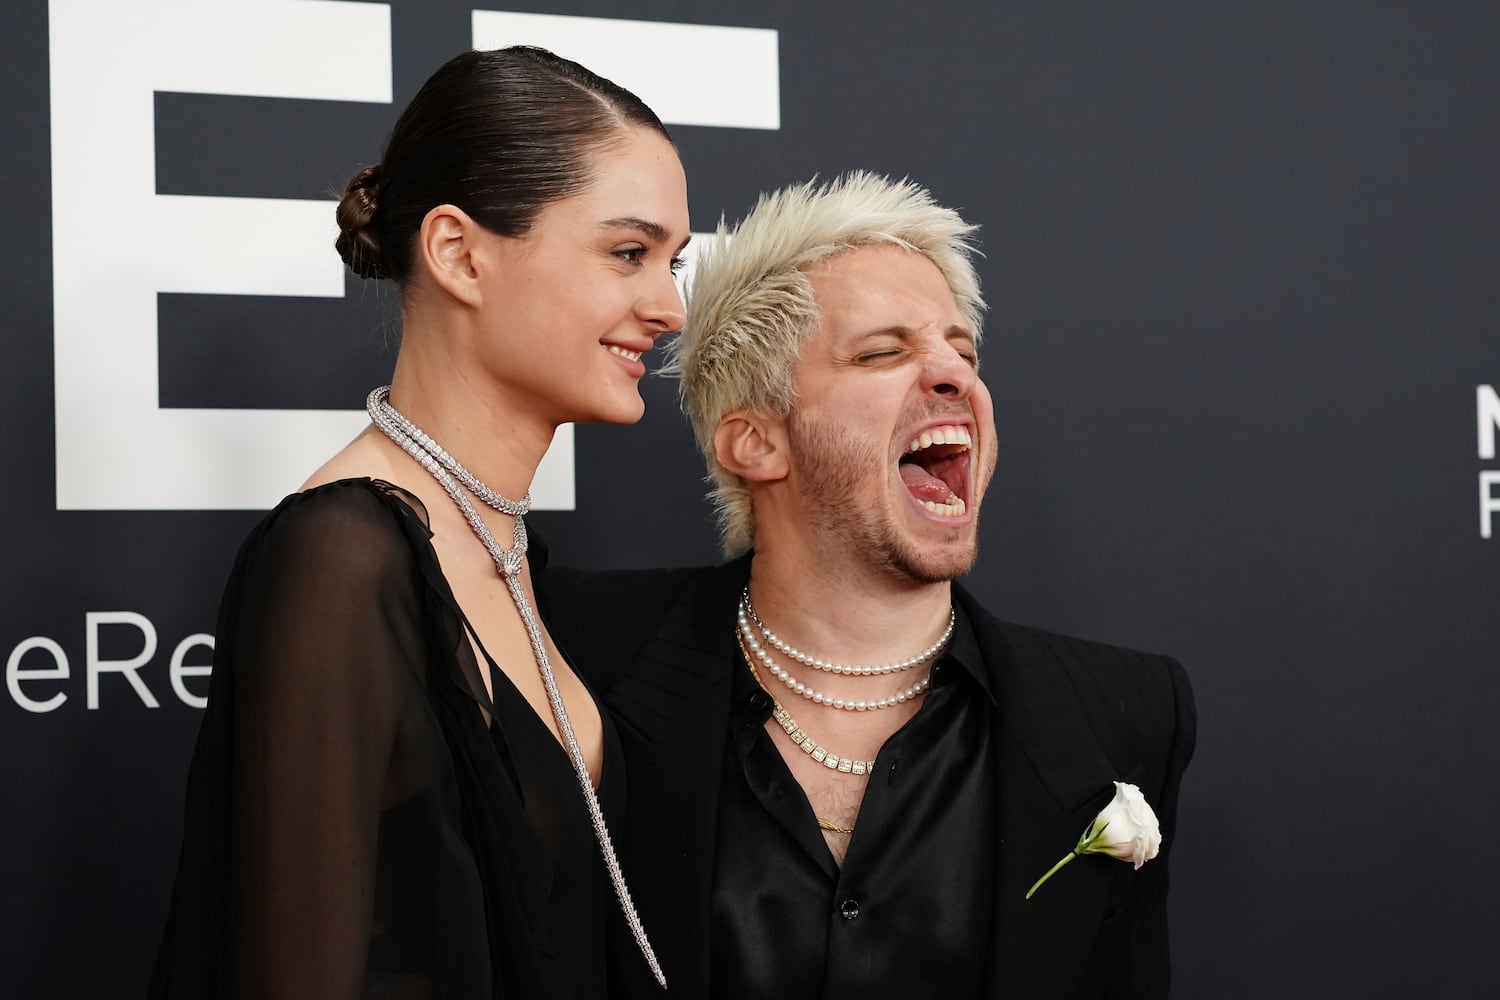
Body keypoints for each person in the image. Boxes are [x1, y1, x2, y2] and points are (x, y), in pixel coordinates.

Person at [540, 173, 1196, 998]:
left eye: (963, 350)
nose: (953, 376)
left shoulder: (1121, 712)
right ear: (755, 443)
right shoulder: (579, 652)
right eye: (883, 352)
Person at [149, 46, 689, 998]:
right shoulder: (343, 558)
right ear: (457, 253)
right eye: (627, 252)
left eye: (671, 262)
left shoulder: (504, 547)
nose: (669, 306)